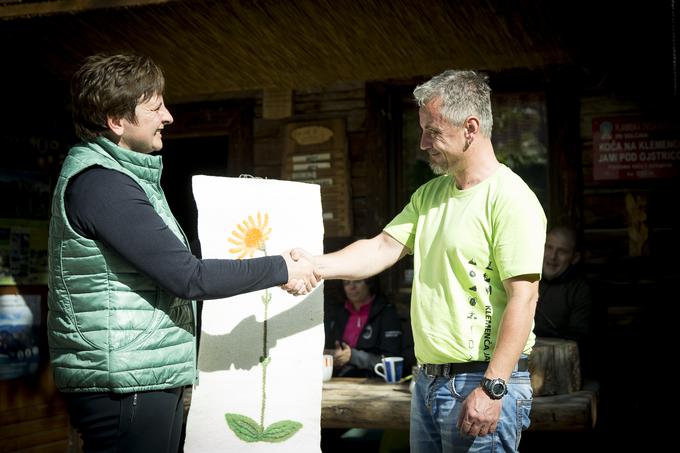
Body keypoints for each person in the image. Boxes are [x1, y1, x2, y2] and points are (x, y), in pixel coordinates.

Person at [47, 53, 316, 453]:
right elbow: (187, 276)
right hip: (125, 380)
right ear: (116, 121)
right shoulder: (103, 186)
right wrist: (282, 267)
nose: (168, 116)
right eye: (155, 107)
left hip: (140, 372)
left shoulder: (120, 180)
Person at [292, 69, 546, 452]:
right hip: (427, 382)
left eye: (433, 131)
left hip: (480, 381)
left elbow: (524, 299)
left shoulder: (512, 199)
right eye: (422, 129)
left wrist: (493, 388)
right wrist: (316, 264)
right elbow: (381, 248)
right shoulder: (431, 195)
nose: (423, 142)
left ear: (471, 128)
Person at [535, 225, 592, 369]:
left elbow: (580, 340)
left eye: (561, 251)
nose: (552, 256)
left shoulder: (582, 291)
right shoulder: (528, 281)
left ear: (575, 257)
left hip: (563, 369)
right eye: (549, 247)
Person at [324, 277, 403, 377]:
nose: (352, 287)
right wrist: (332, 355)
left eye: (357, 281)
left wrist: (353, 356)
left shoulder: (386, 313)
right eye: (346, 283)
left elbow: (393, 362)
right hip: (339, 380)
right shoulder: (338, 313)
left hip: (373, 382)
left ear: (369, 283)